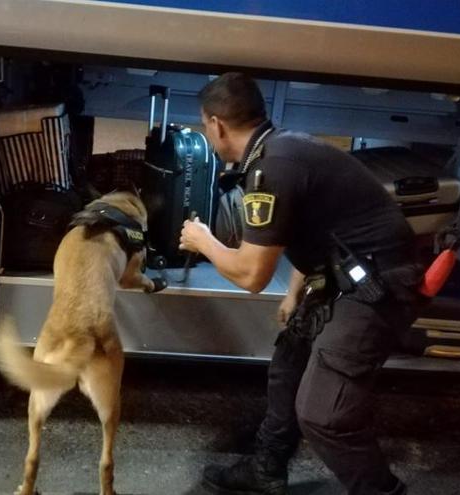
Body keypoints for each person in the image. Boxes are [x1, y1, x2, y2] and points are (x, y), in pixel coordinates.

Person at [179, 72, 425, 495]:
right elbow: (318, 227)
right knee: (289, 363)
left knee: (324, 414)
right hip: (345, 275)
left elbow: (251, 275)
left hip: (378, 287)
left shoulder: (271, 167)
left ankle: (382, 491)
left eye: (205, 125)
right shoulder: (281, 149)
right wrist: (295, 292)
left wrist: (204, 242)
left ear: (216, 124)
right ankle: (266, 471)